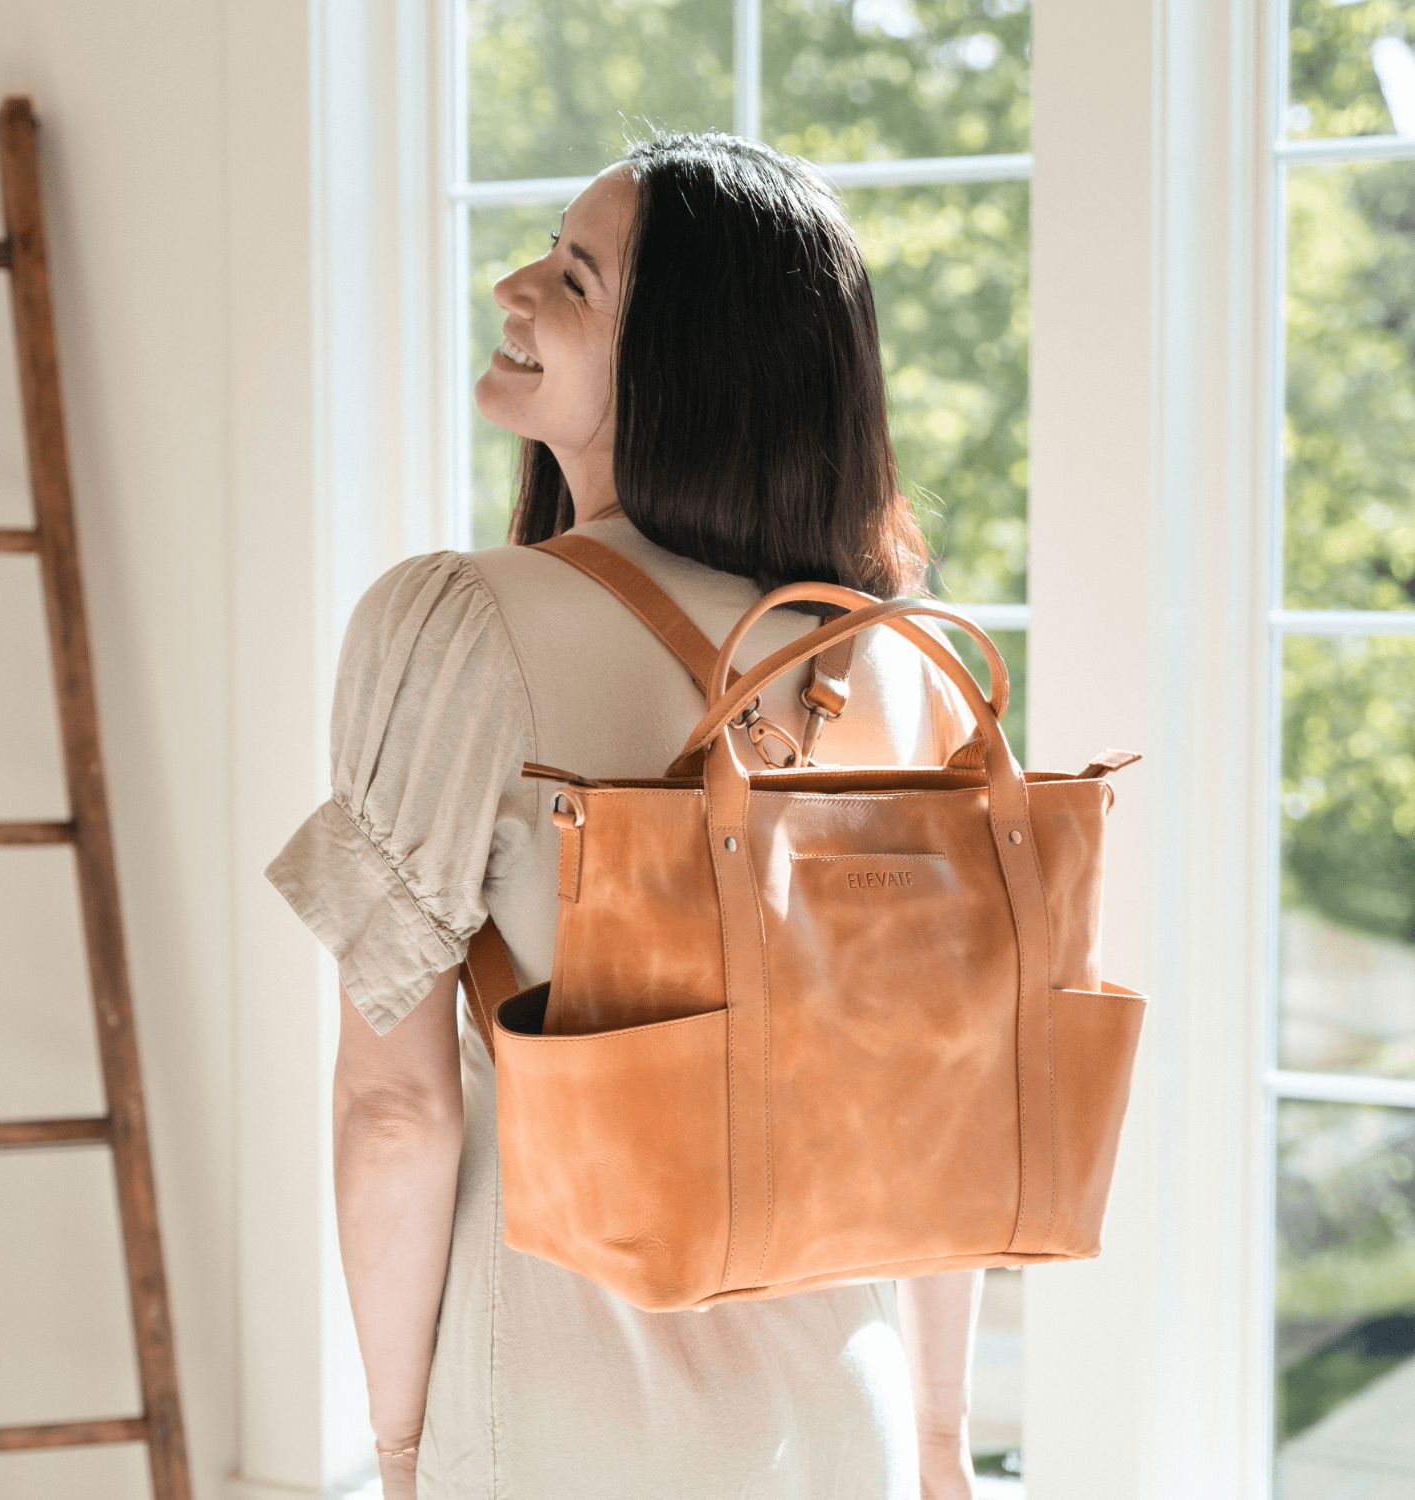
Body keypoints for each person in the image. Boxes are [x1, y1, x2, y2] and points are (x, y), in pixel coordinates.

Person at [268, 131, 987, 1500]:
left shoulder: (453, 626)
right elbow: (934, 1130)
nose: (512, 288)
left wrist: (401, 1454)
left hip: (551, 1418)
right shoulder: (900, 662)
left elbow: (394, 1112)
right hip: (850, 1417)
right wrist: (944, 1442)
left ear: (682, 370)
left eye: (575, 281)